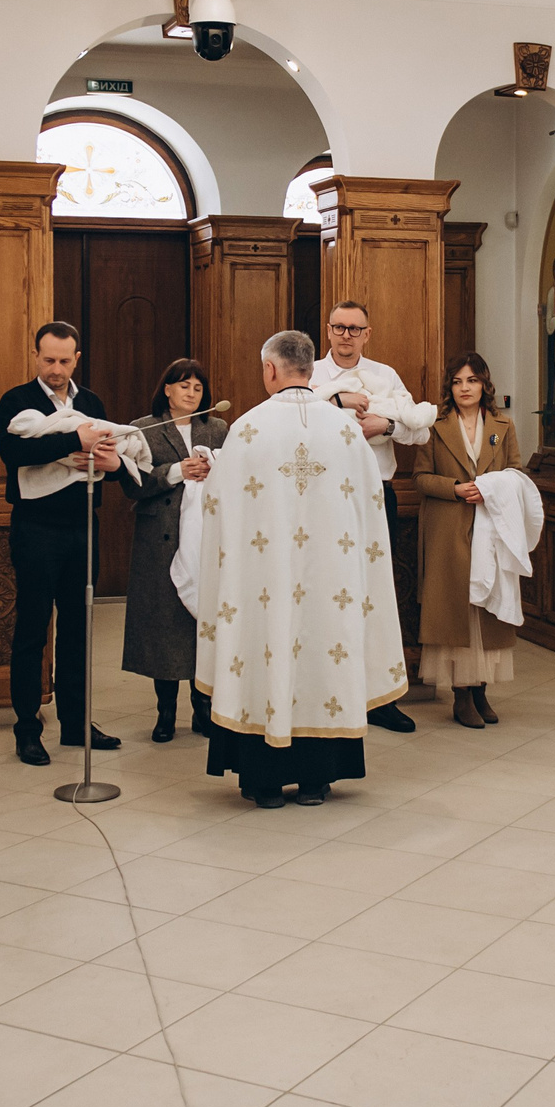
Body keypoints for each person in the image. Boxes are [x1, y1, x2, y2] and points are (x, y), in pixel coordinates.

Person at [192, 330, 405, 806]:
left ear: (270, 369)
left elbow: (221, 507)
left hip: (265, 580)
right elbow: (371, 509)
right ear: (310, 369)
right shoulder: (348, 430)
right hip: (335, 582)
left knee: (267, 654)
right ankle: (316, 779)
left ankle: (265, 784)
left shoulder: (248, 429)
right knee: (326, 659)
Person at [0, 322, 125, 767]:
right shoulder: (16, 402)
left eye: (64, 361)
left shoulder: (90, 403)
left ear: (76, 359)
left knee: (78, 630)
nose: (55, 368)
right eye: (48, 360)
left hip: (82, 525)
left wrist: (107, 458)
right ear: (36, 356)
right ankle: (28, 729)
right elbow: (13, 455)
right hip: (36, 528)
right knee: (33, 630)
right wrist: (74, 440)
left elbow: (107, 453)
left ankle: (75, 723)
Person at [308, 299, 436, 732]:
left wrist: (386, 428)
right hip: (324, 496)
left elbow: (419, 430)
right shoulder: (310, 376)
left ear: (368, 333)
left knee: (379, 593)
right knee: (328, 592)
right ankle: (328, 690)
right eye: (339, 327)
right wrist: (339, 403)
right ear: (327, 331)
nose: (346, 335)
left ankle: (379, 698)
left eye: (355, 329)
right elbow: (296, 422)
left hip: (376, 492)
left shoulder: (385, 376)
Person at [123, 358, 227, 742]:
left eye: (198, 387)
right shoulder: (142, 429)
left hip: (206, 536)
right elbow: (132, 485)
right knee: (163, 626)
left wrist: (213, 468)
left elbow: (235, 474)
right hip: (159, 540)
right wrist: (176, 472)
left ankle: (202, 709)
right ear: (166, 389)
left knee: (203, 623)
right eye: (183, 385)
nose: (191, 393)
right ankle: (165, 712)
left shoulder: (217, 427)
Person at [416, 354, 521, 729]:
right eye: (458, 381)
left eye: (472, 381)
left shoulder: (503, 426)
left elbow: (517, 474)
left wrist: (492, 490)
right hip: (449, 531)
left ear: (484, 385)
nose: (465, 388)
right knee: (456, 609)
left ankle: (481, 690)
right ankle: (462, 694)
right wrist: (456, 489)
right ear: (451, 387)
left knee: (485, 608)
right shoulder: (435, 427)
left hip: (491, 527)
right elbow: (421, 478)